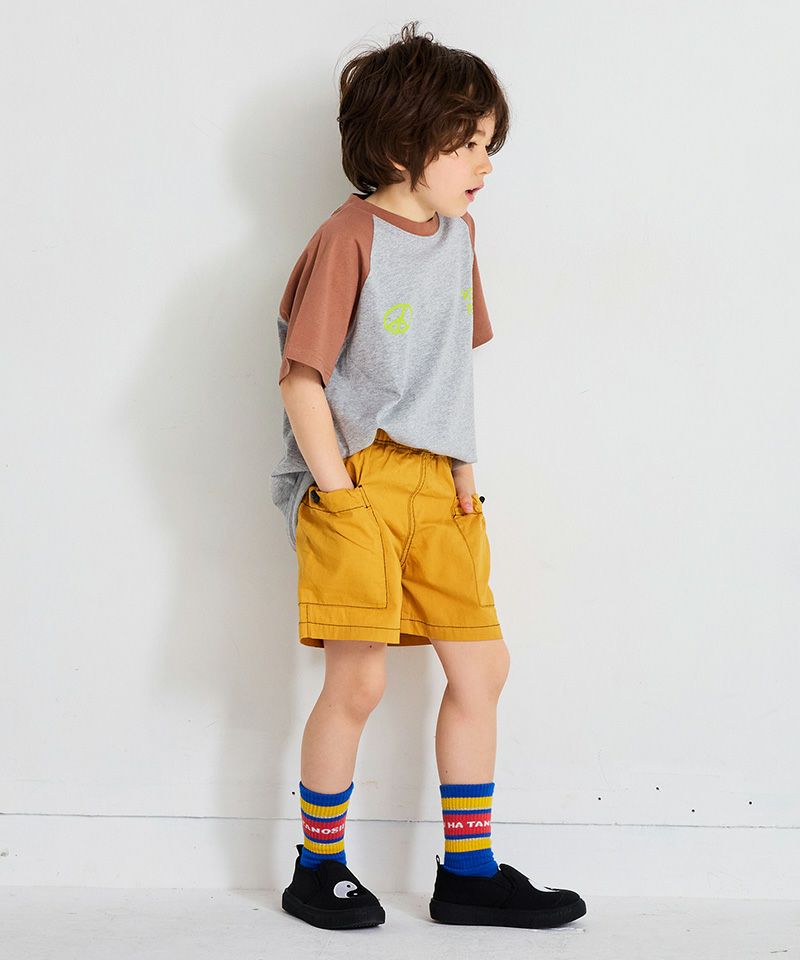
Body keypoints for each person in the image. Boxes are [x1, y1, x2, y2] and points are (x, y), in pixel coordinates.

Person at [273, 21, 587, 931]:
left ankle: (470, 873)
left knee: (483, 666)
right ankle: (317, 868)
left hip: (439, 484)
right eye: (469, 142)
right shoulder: (347, 236)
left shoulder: (458, 237)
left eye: (490, 143)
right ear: (405, 142)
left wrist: (463, 473)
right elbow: (301, 378)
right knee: (359, 683)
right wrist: (339, 493)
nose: (486, 162)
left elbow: (449, 368)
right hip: (357, 475)